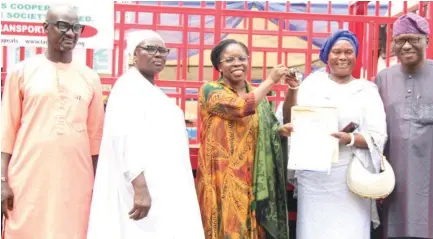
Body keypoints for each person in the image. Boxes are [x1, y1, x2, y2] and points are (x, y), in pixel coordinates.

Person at [86, 30, 204, 239]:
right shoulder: (127, 87)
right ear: (134, 54)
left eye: (162, 50)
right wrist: (139, 186)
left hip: (161, 183)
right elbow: (124, 138)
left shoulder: (148, 88)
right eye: (150, 48)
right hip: (142, 186)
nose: (158, 54)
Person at [1, 4, 104, 239]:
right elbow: (6, 131)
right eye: (63, 26)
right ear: (46, 29)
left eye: (76, 27)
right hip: (28, 177)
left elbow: (95, 137)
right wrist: (2, 180)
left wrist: (99, 185)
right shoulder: (21, 72)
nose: (71, 33)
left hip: (76, 180)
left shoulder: (90, 78)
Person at [282, 30, 388, 239]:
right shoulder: (311, 85)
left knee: (351, 231)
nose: (342, 57)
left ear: (355, 56)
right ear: (326, 55)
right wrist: (293, 90)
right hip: (315, 177)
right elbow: (289, 120)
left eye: (348, 52)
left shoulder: (366, 90)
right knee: (314, 230)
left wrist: (349, 139)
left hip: (351, 178)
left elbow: (378, 137)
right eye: (336, 52)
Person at [375, 13, 433, 239]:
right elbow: (375, 131)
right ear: (392, 44)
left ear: (427, 41)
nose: (406, 46)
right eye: (400, 40)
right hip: (397, 182)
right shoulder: (383, 79)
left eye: (413, 39)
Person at [195, 39, 294, 239]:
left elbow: (269, 128)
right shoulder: (211, 91)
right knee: (227, 228)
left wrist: (279, 130)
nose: (237, 63)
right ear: (219, 66)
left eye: (242, 58)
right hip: (222, 178)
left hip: (255, 177)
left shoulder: (256, 92)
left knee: (254, 229)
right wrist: (271, 80)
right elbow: (242, 107)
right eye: (230, 59)